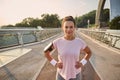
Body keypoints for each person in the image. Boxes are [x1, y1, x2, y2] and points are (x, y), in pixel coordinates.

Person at [44, 16, 92, 80]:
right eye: (66, 27)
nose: (69, 29)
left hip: (76, 74)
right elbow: (46, 53)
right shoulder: (57, 42)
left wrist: (82, 63)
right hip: (61, 75)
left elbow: (89, 52)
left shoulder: (80, 42)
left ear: (74, 28)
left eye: (71, 27)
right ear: (62, 28)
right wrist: (55, 63)